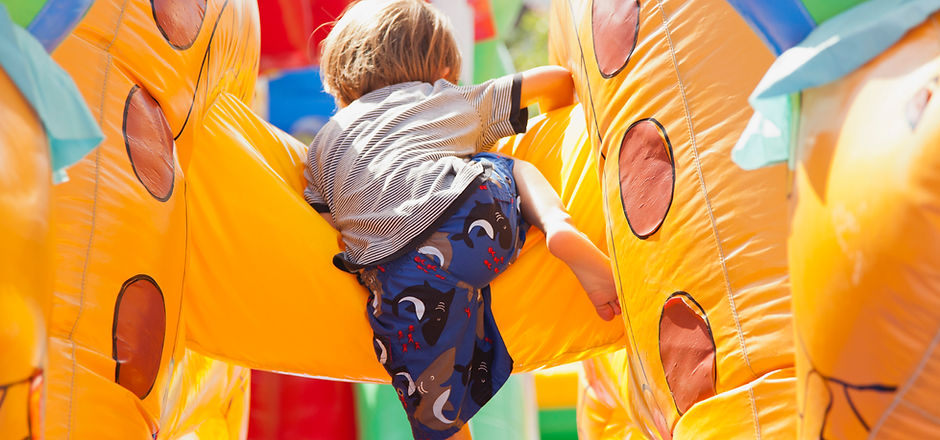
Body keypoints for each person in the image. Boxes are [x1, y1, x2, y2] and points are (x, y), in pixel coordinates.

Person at [304, 1, 620, 438]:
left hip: (399, 273)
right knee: (504, 165)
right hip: (479, 220)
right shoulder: (443, 99)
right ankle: (557, 226)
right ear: (443, 67)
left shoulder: (325, 143)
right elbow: (555, 81)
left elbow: (322, 213)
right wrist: (559, 115)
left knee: (434, 407)